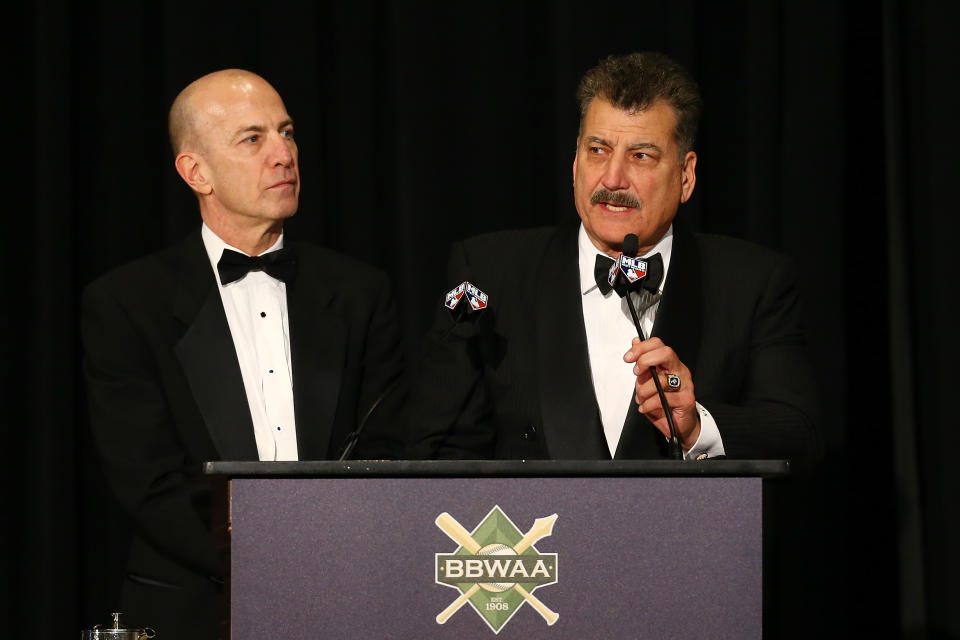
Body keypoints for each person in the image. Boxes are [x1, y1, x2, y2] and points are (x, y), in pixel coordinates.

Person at [81, 70, 403, 639]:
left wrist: (329, 564)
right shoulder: (127, 303)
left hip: (344, 599)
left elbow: (386, 447)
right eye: (253, 139)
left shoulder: (359, 292)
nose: (284, 154)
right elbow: (148, 481)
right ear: (195, 172)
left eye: (287, 133)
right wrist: (270, 564)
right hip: (194, 611)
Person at [406, 52, 819, 462]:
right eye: (598, 150)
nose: (613, 178)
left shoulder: (753, 281)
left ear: (686, 176)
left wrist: (696, 428)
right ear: (574, 163)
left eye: (641, 156)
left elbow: (798, 433)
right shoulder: (490, 273)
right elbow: (438, 455)